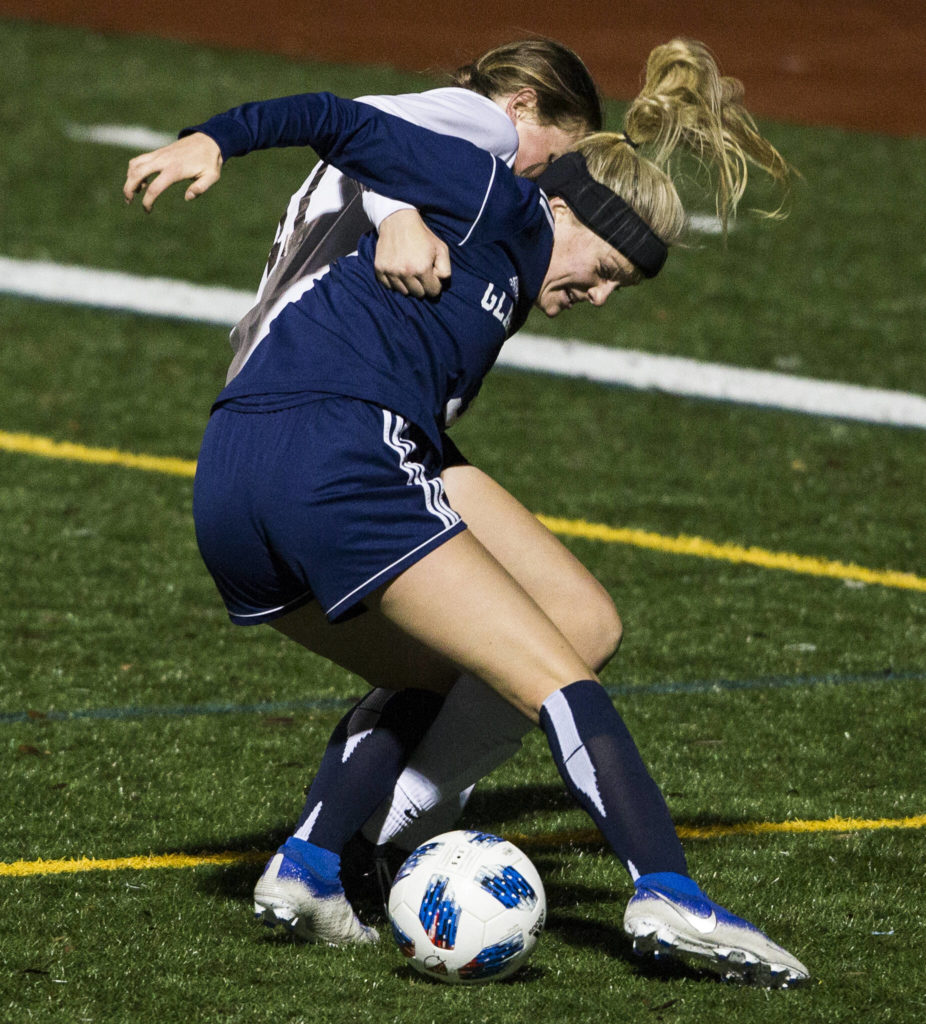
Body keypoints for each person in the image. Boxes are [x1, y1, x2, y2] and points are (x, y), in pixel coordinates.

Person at [123, 39, 808, 988]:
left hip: (238, 474)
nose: (599, 296)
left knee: (528, 639)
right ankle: (668, 894)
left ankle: (317, 865)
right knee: (556, 680)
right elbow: (345, 117)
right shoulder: (496, 194)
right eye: (604, 267)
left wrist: (393, 211)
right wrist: (211, 141)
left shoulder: (495, 280)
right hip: (339, 453)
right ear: (559, 205)